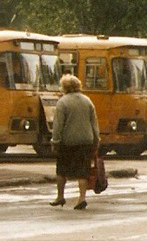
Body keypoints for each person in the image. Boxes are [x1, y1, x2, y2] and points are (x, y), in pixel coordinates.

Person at [50, 74, 100, 211]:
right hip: (86, 141)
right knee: (82, 171)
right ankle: (82, 198)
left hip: (68, 142)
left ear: (64, 87)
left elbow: (58, 125)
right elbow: (94, 123)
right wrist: (96, 140)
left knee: (61, 170)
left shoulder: (62, 102)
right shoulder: (87, 101)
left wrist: (55, 142)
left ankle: (60, 196)